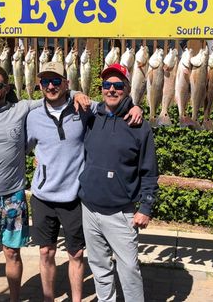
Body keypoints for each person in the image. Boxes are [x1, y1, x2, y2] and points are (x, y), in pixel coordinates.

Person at [0, 64, 87, 302]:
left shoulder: (21, 109)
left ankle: (14, 299)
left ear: (7, 88)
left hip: (14, 196)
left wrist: (77, 94)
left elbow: (53, 96)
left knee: (12, 252)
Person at [26, 61, 142, 302]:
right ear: (39, 84)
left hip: (73, 196)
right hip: (42, 196)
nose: (50, 86)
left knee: (76, 253)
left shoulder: (85, 108)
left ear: (66, 83)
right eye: (45, 81)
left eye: (56, 81)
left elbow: (115, 105)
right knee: (46, 252)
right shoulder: (33, 115)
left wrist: (137, 107)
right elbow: (24, 147)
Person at [78, 64, 159, 302]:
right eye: (106, 85)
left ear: (126, 88)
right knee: (99, 266)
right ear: (101, 88)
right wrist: (76, 94)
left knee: (129, 270)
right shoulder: (92, 116)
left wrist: (146, 207)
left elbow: (149, 170)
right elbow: (63, 94)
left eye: (117, 85)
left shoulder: (139, 124)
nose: (111, 90)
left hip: (121, 213)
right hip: (89, 208)